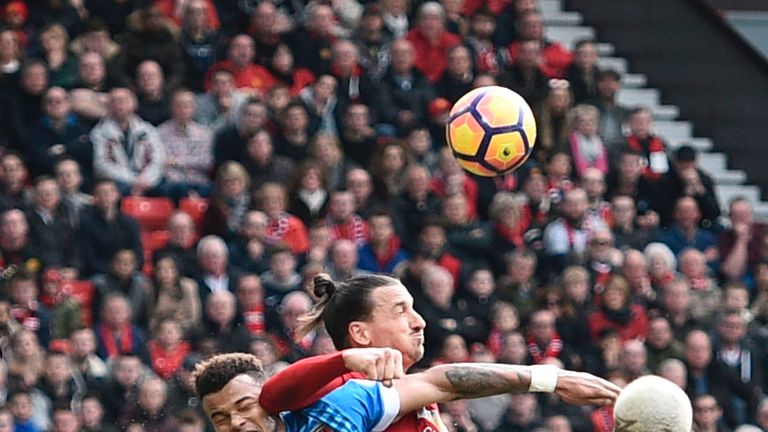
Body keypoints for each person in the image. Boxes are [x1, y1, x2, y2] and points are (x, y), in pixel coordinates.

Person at [195, 348, 619, 432]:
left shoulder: (336, 411)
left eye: (243, 406)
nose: (235, 423)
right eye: (220, 419)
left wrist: (551, 379)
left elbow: (443, 381)